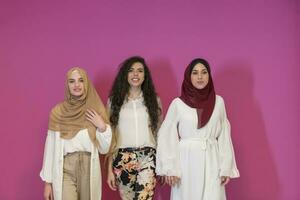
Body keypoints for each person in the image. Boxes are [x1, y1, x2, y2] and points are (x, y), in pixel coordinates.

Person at [156, 58, 239, 200]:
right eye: (195, 73)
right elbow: (166, 135)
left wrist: (226, 167)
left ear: (209, 75)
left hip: (212, 160)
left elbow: (224, 135)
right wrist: (170, 168)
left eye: (204, 72)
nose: (200, 77)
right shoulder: (178, 104)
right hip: (185, 162)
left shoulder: (218, 102)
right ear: (189, 77)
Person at [40, 67, 112, 200]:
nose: (77, 85)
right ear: (67, 85)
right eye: (72, 81)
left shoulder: (94, 111)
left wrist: (102, 126)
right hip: (65, 169)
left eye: (81, 80)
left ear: (86, 84)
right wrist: (47, 183)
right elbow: (50, 149)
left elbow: (104, 149)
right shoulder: (58, 112)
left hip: (89, 167)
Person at [106, 56, 162, 200]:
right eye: (131, 70)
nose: (135, 74)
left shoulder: (154, 101)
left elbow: (159, 133)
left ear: (145, 75)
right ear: (125, 74)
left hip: (148, 157)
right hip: (123, 158)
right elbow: (110, 136)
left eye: (140, 71)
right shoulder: (114, 101)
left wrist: (163, 165)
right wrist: (109, 171)